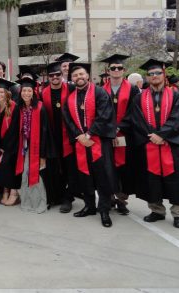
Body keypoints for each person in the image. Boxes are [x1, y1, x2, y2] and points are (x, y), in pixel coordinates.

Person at [122, 59, 179, 229]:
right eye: (151, 74)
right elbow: (136, 120)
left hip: (170, 145)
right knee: (151, 180)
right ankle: (157, 211)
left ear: (163, 74)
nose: (155, 76)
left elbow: (178, 118)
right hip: (148, 145)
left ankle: (178, 213)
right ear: (147, 77)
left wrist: (162, 135)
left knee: (176, 180)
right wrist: (151, 136)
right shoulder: (139, 97)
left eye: (158, 73)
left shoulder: (175, 95)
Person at [62, 63, 117, 228]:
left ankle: (104, 209)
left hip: (97, 141)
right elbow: (68, 120)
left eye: (81, 74)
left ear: (88, 75)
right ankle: (90, 206)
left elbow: (105, 115)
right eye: (75, 75)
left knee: (103, 176)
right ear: (71, 79)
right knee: (85, 176)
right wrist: (79, 136)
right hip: (81, 143)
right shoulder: (70, 98)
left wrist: (89, 134)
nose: (78, 77)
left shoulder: (100, 93)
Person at [99, 54, 141, 215]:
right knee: (108, 168)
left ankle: (122, 200)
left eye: (119, 68)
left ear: (124, 70)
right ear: (108, 71)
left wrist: (119, 127)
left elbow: (134, 112)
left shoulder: (133, 89)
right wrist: (110, 129)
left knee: (125, 169)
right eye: (113, 68)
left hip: (126, 135)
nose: (116, 70)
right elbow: (99, 113)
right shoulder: (101, 90)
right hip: (107, 136)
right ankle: (109, 197)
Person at [40, 62, 80, 213]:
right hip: (52, 137)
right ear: (48, 77)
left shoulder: (71, 89)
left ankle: (68, 198)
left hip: (70, 136)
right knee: (56, 168)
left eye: (58, 75)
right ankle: (58, 195)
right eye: (52, 75)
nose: (55, 77)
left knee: (70, 168)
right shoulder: (43, 93)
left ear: (62, 75)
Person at [11, 79, 53, 213]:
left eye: (29, 91)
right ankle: (27, 202)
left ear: (33, 92)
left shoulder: (40, 108)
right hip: (23, 147)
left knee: (35, 174)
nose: (26, 93)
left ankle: (39, 203)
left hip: (37, 147)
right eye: (24, 90)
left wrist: (43, 154)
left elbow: (45, 132)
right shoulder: (19, 108)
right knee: (25, 173)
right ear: (20, 92)